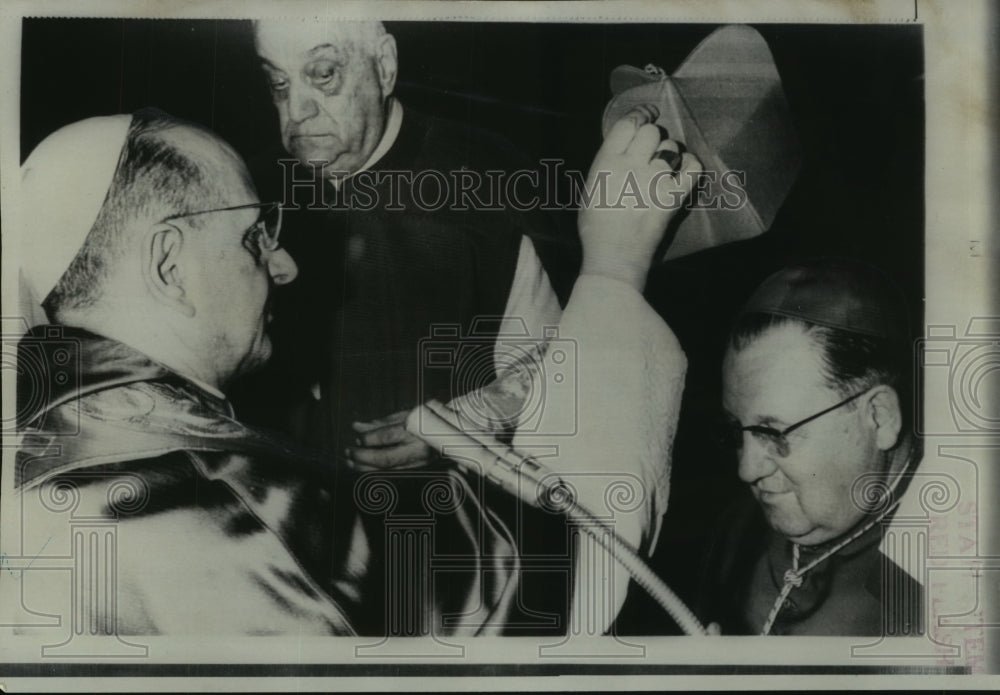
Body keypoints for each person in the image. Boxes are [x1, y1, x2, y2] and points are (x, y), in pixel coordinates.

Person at [4, 104, 700, 636]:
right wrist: (614, 268)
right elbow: (564, 573)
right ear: (168, 266)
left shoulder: (39, 443)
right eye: (253, 235)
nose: (284, 265)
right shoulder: (216, 493)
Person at [241, 19, 564, 471]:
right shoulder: (248, 188)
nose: (296, 111)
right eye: (277, 82)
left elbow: (560, 354)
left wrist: (465, 424)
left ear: (385, 67)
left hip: (455, 509)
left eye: (324, 74)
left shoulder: (486, 178)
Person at [699, 259, 922, 636]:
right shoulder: (736, 532)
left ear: (879, 418)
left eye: (775, 432)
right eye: (736, 430)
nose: (747, 470)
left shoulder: (954, 578)